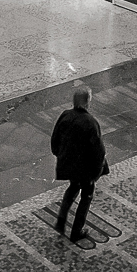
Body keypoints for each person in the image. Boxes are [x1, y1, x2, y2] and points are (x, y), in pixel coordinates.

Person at [50, 84, 109, 243]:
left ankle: (61, 221)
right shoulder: (90, 122)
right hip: (85, 169)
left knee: (73, 188)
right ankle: (77, 231)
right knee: (86, 196)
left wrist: (59, 155)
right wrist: (97, 172)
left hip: (69, 165)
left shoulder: (65, 115)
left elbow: (55, 139)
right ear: (87, 101)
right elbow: (98, 151)